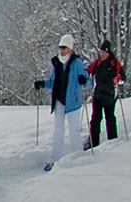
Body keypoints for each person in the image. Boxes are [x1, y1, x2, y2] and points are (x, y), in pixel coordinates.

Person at [33, 34, 92, 171]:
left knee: (74, 131)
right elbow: (53, 82)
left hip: (73, 102)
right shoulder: (57, 63)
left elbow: (88, 82)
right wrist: (42, 84)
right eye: (60, 47)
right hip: (59, 100)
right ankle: (55, 159)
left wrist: (84, 81)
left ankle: (78, 157)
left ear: (70, 48)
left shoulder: (77, 63)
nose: (61, 50)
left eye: (64, 47)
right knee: (58, 131)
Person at [86, 40, 126, 149]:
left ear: (108, 53)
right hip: (98, 95)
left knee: (110, 118)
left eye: (104, 52)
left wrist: (118, 79)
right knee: (95, 119)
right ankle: (93, 143)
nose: (101, 54)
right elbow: (89, 72)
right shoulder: (97, 63)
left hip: (110, 95)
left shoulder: (114, 63)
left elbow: (123, 78)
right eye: (101, 52)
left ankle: (113, 141)